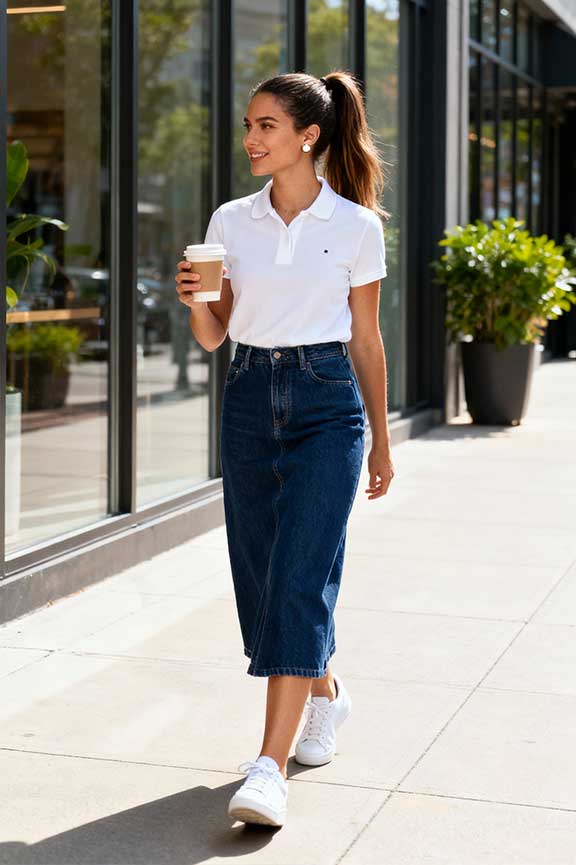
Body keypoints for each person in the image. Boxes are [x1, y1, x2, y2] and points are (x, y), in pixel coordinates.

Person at [174, 70, 395, 829]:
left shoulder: (356, 227)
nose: (251, 138)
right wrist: (196, 300)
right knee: (263, 578)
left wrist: (382, 441)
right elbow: (215, 336)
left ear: (309, 136)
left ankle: (268, 768)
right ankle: (325, 693)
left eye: (266, 125)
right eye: (249, 124)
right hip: (248, 397)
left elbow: (366, 341)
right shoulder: (231, 221)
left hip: (328, 406)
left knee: (301, 574)